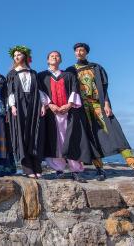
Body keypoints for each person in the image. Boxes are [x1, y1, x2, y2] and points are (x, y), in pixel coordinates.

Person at [66, 43, 134, 180]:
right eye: (77, 50)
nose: (79, 52)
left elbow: (103, 88)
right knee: (92, 138)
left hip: (98, 105)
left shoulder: (96, 67)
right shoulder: (70, 70)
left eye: (82, 50)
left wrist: (107, 104)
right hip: (81, 109)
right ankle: (100, 170)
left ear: (86, 52)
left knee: (117, 135)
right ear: (74, 53)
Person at [38, 51, 93, 182]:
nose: (54, 58)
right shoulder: (41, 76)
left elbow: (75, 89)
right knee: (55, 141)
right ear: (47, 60)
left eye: (57, 56)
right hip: (52, 113)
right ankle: (59, 169)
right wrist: (50, 105)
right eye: (52, 56)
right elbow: (40, 92)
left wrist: (69, 105)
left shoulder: (68, 75)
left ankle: (75, 170)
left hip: (69, 112)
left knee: (72, 139)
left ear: (60, 60)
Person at [6, 45, 46, 178]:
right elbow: (10, 92)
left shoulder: (33, 73)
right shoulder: (12, 73)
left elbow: (40, 91)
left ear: (25, 56)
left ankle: (37, 166)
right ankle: (27, 168)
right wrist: (12, 106)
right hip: (19, 104)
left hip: (34, 103)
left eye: (19, 54)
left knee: (35, 133)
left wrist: (42, 105)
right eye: (15, 55)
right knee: (22, 134)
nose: (17, 57)